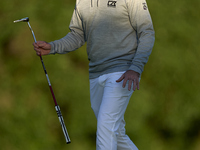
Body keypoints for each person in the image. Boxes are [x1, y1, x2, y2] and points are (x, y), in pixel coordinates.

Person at [33, 0, 155, 149]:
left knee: (106, 124)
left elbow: (147, 32)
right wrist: (53, 47)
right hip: (96, 74)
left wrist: (135, 68)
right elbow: (77, 35)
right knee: (116, 133)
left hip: (122, 72)